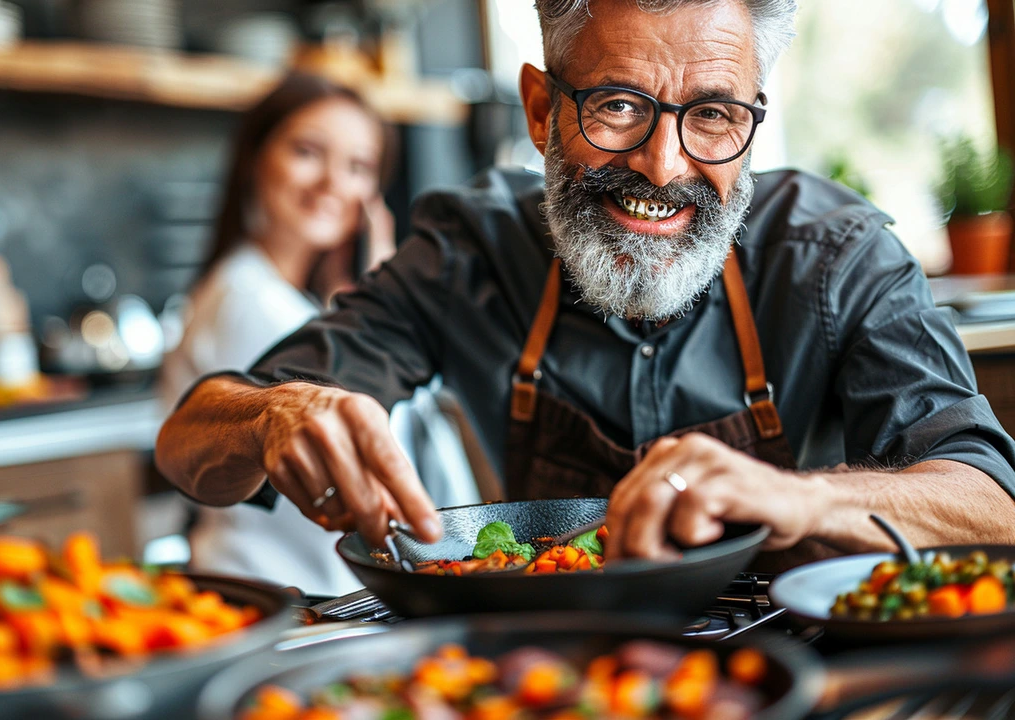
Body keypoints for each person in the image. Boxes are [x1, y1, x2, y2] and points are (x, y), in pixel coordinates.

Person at [156, 0, 1015, 568]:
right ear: (540, 111)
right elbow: (189, 443)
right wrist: (272, 415)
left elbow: (991, 502)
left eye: (712, 114)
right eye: (617, 104)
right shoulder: (471, 249)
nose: (663, 165)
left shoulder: (835, 255)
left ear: (753, 119)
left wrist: (794, 497)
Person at [161, 73, 475, 596]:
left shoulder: (283, 295)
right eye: (308, 152)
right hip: (283, 591)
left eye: (358, 167)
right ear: (255, 159)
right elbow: (367, 450)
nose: (333, 182)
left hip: (294, 584)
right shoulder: (248, 299)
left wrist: (367, 292)